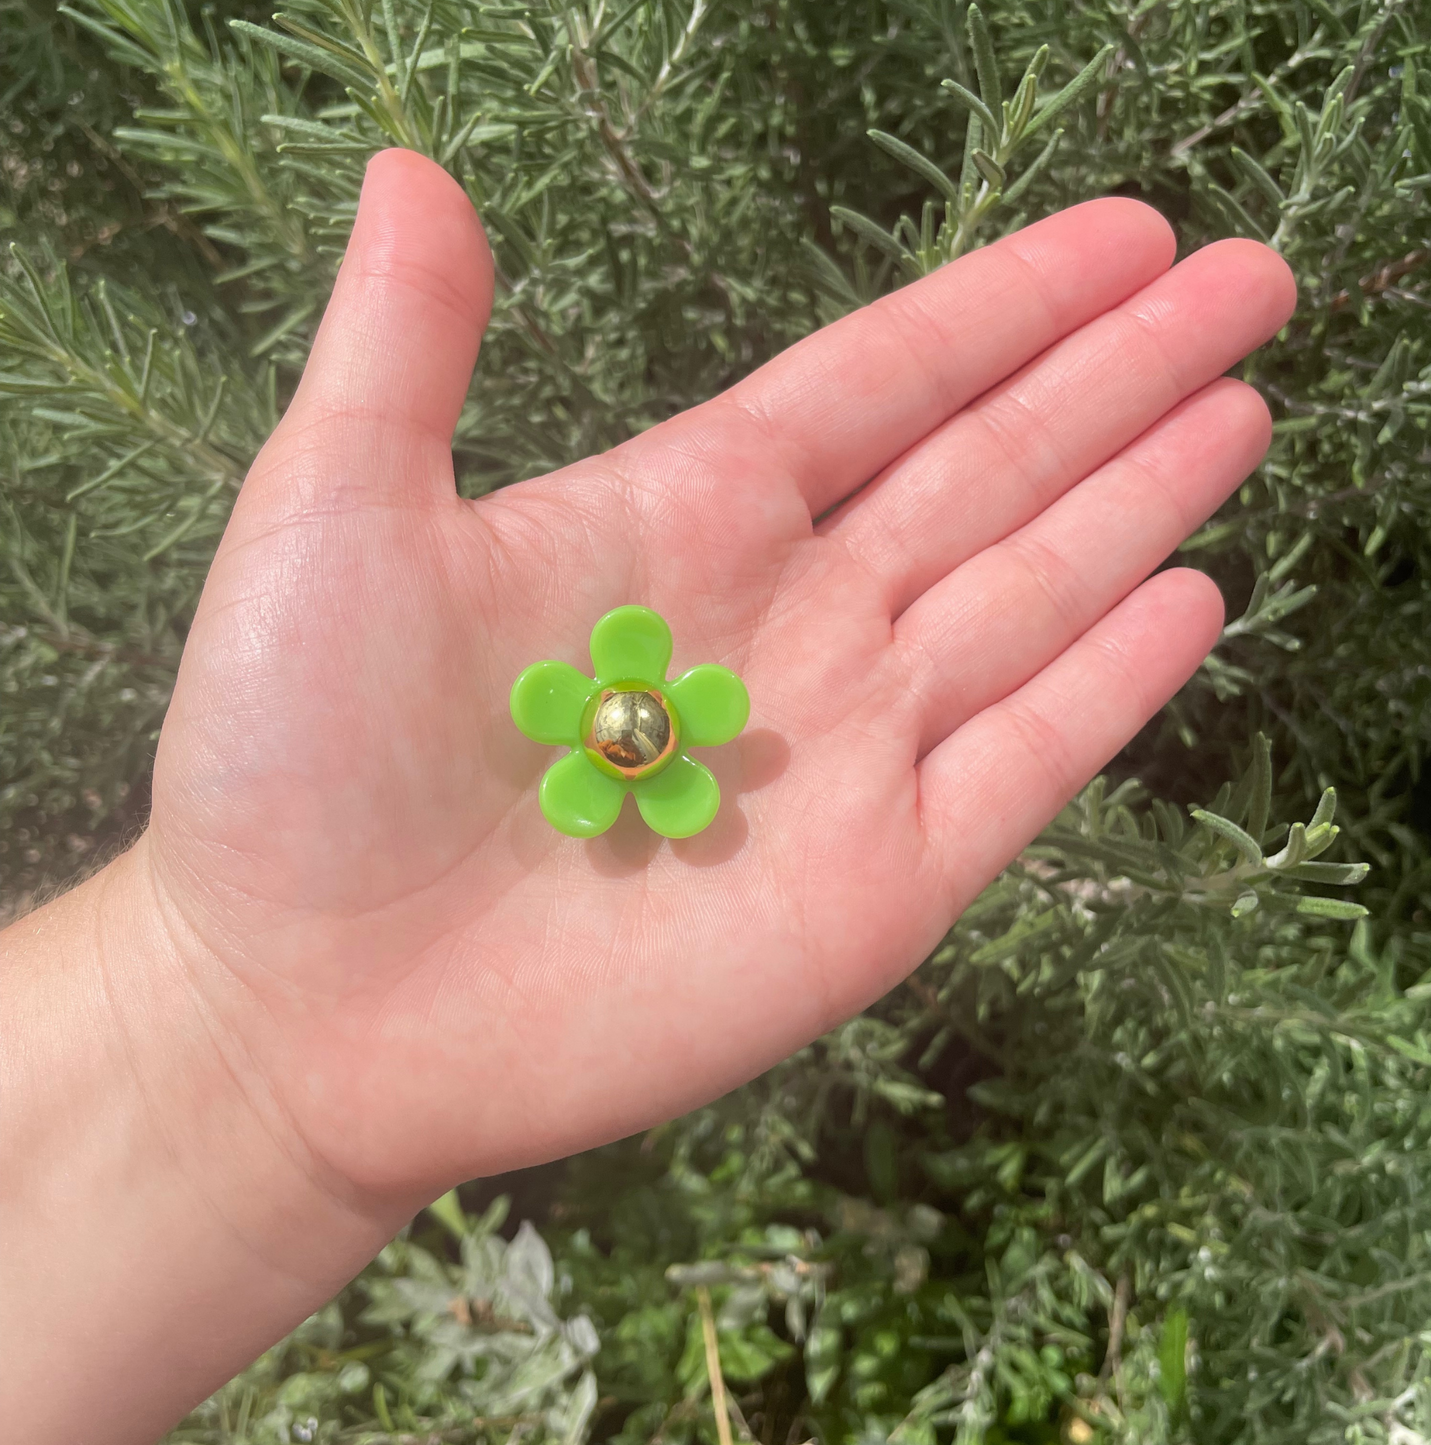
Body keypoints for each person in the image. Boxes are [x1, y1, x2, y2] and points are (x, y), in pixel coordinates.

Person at [0, 148, 1294, 1442]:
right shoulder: (606, 759)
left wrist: (204, 1019)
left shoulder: (655, 749)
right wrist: (217, 1009)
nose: (624, 724)